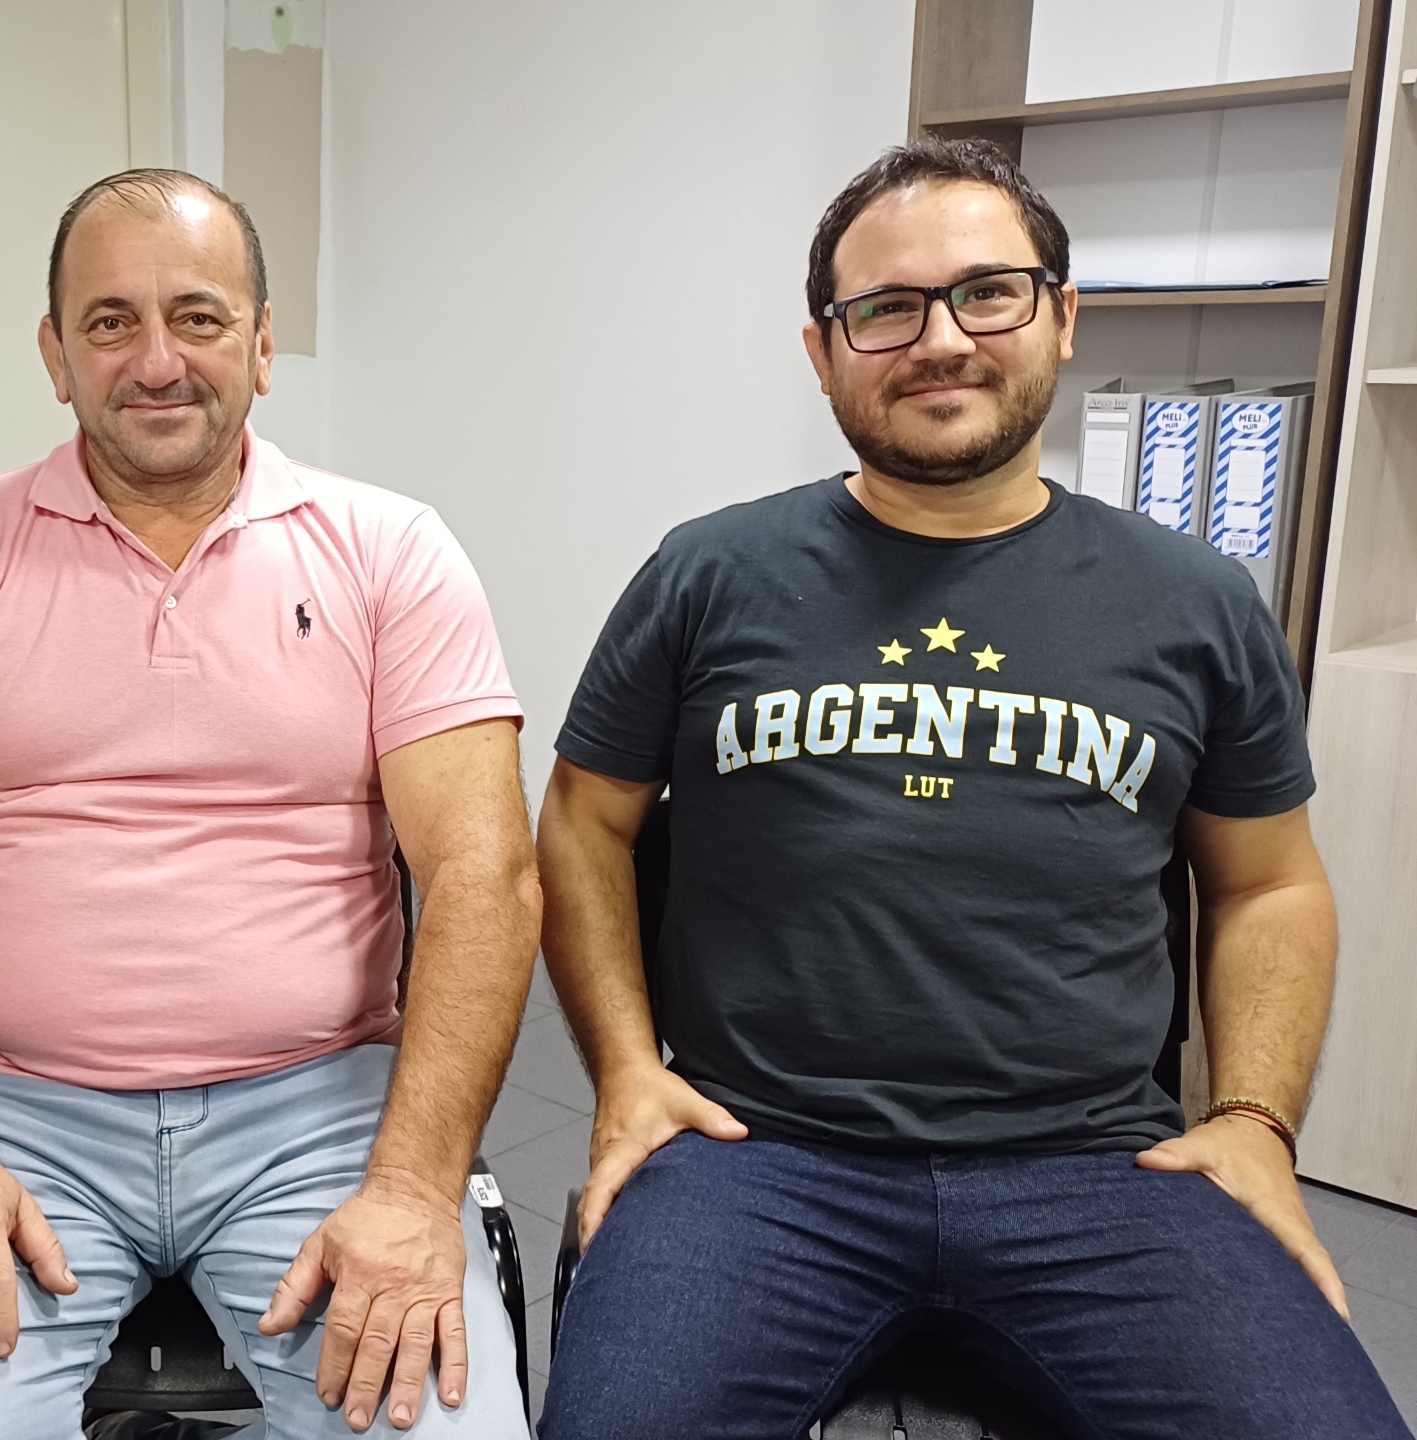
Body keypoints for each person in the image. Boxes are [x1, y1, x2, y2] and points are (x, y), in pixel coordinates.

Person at [535, 137, 1409, 1439]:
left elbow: (1269, 886)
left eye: (987, 292)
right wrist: (623, 1071)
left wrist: (1253, 1122)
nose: (940, 340)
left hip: (1103, 1169)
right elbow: (581, 823)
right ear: (823, 351)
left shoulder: (1197, 602)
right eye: (885, 308)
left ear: (1062, 316)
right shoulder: (706, 576)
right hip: (753, 1156)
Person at [0, 169, 539, 1439]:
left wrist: (415, 1188)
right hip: (9, 1117)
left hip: (322, 1115)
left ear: (261, 343)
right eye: (109, 322)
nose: (155, 362)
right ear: (54, 354)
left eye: (197, 317)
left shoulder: (390, 551)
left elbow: (485, 874)